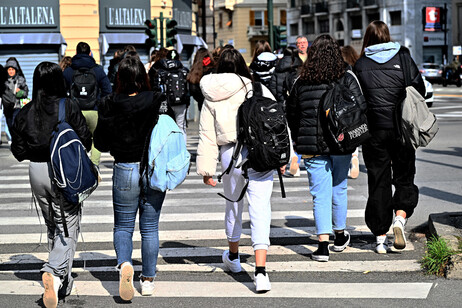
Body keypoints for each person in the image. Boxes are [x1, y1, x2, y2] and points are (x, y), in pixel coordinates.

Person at [10, 62, 92, 308]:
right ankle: (53, 271)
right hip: (61, 172)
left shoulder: (26, 111)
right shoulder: (68, 106)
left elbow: (18, 151)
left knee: (52, 225)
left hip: (36, 172)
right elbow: (85, 140)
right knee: (68, 225)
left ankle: (60, 283)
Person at [197, 47, 275, 292]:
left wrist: (206, 170)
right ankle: (261, 272)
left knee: (233, 204)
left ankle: (234, 257)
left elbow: (207, 135)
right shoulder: (257, 88)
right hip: (259, 152)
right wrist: (284, 156)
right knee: (260, 207)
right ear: (243, 66)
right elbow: (276, 122)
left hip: (230, 153)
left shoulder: (211, 94)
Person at [286, 34, 366, 262]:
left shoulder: (301, 80)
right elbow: (361, 107)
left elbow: (292, 114)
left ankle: (322, 245)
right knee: (339, 188)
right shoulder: (346, 76)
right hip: (341, 142)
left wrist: (299, 138)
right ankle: (339, 236)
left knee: (319, 194)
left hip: (312, 145)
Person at [94, 56, 167, 300]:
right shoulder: (154, 99)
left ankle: (125, 264)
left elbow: (100, 143)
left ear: (119, 79)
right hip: (152, 167)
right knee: (150, 228)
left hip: (124, 167)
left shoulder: (109, 103)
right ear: (142, 77)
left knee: (123, 226)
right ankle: (147, 280)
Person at [353, 21, 425, 254]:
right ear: (387, 36)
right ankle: (400, 219)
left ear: (368, 38)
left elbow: (356, 99)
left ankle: (380, 238)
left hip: (373, 132)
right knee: (404, 175)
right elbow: (419, 88)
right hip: (401, 130)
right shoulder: (403, 56)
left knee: (378, 180)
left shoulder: (361, 64)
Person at [63, 42, 112, 167]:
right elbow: (108, 91)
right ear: (90, 53)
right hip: (94, 111)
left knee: (77, 139)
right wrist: (99, 103)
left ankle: (80, 164)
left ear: (76, 53)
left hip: (75, 113)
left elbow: (61, 92)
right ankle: (94, 165)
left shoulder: (69, 71)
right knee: (96, 139)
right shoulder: (97, 70)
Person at [268, 46, 303, 177]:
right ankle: (297, 160)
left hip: (281, 106)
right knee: (297, 135)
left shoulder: (278, 70)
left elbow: (272, 90)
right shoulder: (301, 69)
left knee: (284, 134)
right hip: (297, 107)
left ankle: (290, 157)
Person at [152, 49, 190, 141]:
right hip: (181, 102)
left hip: (166, 102)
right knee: (181, 127)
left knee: (167, 128)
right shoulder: (184, 70)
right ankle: (183, 150)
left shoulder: (160, 71)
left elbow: (156, 87)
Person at [341, 45, 361, 179]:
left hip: (341, 107)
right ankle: (355, 156)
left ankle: (348, 158)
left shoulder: (340, 70)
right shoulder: (357, 68)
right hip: (355, 107)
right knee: (353, 133)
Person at [2, 57, 29, 132]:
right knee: (10, 125)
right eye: (9, 69)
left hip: (17, 106)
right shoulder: (3, 81)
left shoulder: (20, 80)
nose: (11, 71)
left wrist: (21, 92)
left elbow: (26, 92)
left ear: (16, 70)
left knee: (15, 124)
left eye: (12, 69)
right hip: (7, 107)